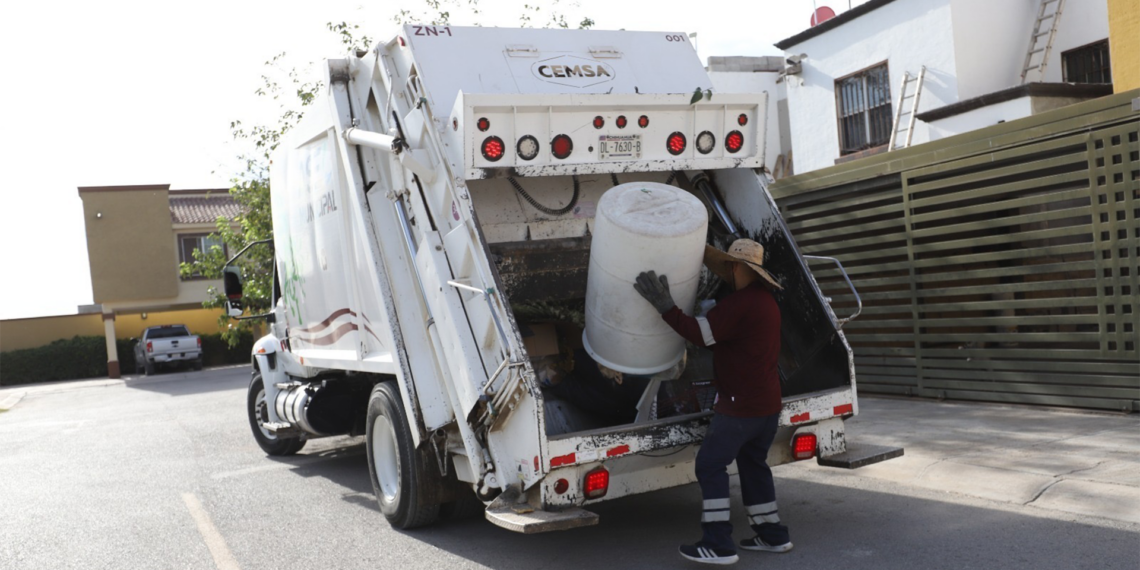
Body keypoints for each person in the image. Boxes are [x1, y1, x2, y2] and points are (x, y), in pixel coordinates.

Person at [633, 238, 791, 565]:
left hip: (739, 407)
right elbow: (733, 343)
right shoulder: (766, 302)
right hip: (766, 406)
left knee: (709, 465)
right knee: (753, 464)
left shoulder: (740, 303)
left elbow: (697, 334)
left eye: (728, 267)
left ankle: (718, 543)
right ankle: (772, 535)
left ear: (736, 267)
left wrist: (666, 307)